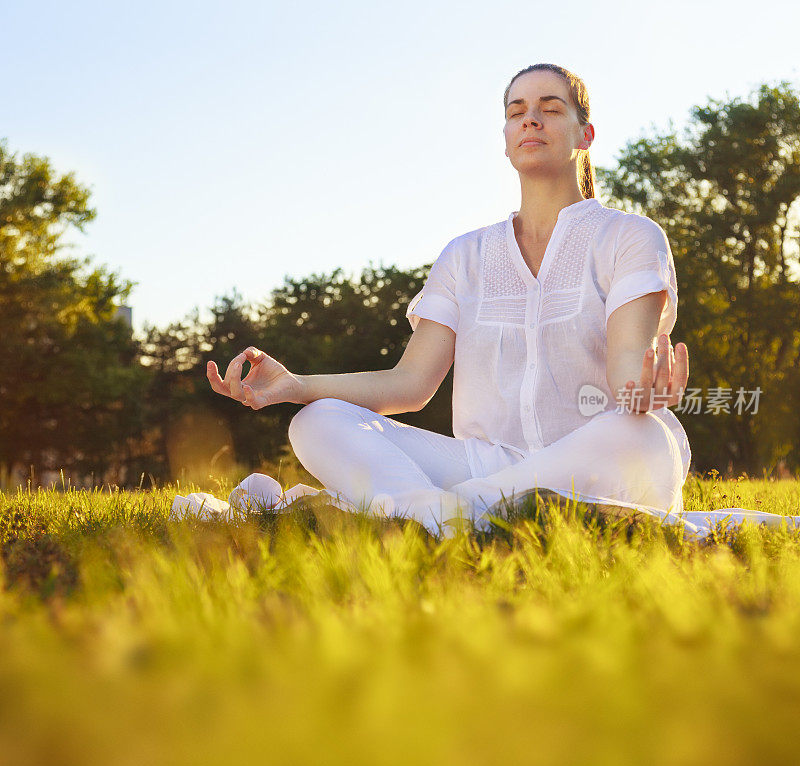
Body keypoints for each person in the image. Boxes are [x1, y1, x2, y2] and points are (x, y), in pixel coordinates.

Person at [206, 63, 693, 537]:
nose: (530, 118)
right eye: (516, 109)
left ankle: (427, 511)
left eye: (551, 108)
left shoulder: (629, 236)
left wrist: (642, 389)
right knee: (317, 420)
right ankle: (454, 512)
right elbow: (410, 385)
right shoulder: (466, 255)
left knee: (645, 435)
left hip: (591, 455)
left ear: (584, 135)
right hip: (480, 461)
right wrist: (295, 385)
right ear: (505, 137)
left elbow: (629, 367)